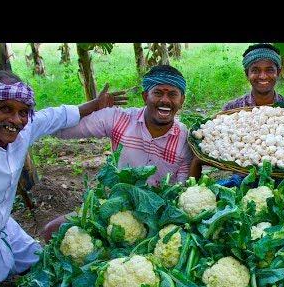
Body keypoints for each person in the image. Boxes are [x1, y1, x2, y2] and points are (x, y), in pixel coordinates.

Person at [0, 71, 125, 287]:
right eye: (5, 109)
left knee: (49, 270)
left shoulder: (21, 129)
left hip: (2, 227)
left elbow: (55, 116)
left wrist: (96, 104)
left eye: (23, 112)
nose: (15, 120)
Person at [41, 65, 193, 240]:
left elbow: (183, 192)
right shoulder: (118, 119)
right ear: (145, 97)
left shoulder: (185, 140)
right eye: (158, 93)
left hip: (157, 218)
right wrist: (91, 107)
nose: (165, 100)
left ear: (182, 100)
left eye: (172, 94)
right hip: (111, 207)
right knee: (51, 231)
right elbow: (59, 130)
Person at [190, 43, 284, 185]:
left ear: (278, 71)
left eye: (269, 70)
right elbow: (213, 149)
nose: (263, 76)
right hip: (243, 180)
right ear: (247, 74)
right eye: (255, 70)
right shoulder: (232, 109)